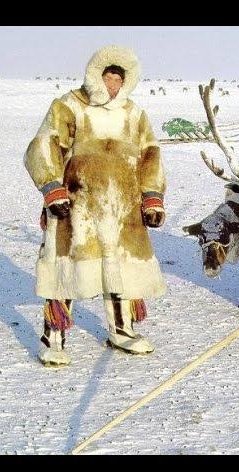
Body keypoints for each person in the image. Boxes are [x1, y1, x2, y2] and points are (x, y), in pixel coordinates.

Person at [24, 45, 167, 366]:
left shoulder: (134, 114)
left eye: (119, 78)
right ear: (96, 75)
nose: (113, 83)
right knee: (67, 269)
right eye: (108, 76)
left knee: (121, 268)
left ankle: (122, 330)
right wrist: (52, 189)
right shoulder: (71, 105)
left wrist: (152, 197)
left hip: (123, 211)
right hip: (76, 206)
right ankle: (53, 337)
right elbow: (44, 145)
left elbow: (150, 155)